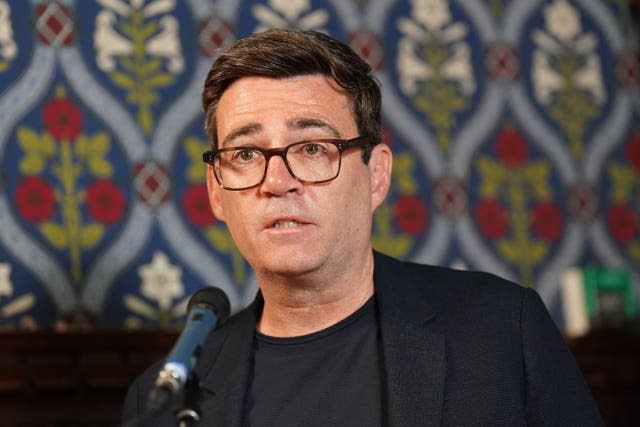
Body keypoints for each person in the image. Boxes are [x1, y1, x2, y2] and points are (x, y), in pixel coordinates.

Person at [123, 28, 603, 426]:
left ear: (377, 175)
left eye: (312, 148)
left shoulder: (501, 329)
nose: (276, 181)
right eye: (246, 154)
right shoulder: (162, 399)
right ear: (215, 189)